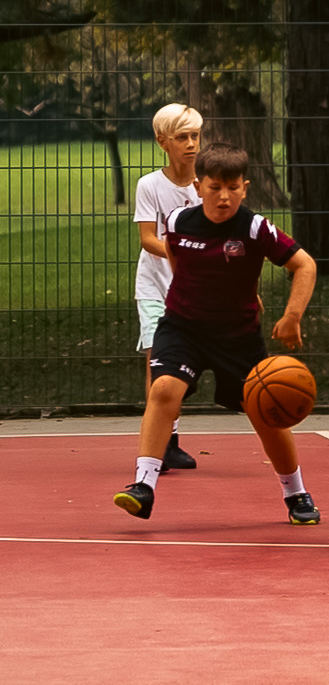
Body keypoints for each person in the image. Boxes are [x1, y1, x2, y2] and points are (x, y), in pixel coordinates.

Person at [113, 144, 318, 524]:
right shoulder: (177, 221)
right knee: (163, 390)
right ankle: (143, 486)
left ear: (245, 187)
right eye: (214, 187)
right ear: (198, 185)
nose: (223, 196)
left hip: (236, 337)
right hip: (183, 327)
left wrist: (292, 317)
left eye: (233, 187)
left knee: (266, 412)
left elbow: (304, 264)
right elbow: (179, 260)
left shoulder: (255, 227)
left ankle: (296, 492)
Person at [131, 103, 204, 473]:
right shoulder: (150, 185)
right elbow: (147, 238)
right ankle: (164, 445)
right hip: (155, 287)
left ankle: (169, 436)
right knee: (157, 361)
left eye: (195, 136)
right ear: (163, 141)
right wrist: (182, 255)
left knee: (185, 366)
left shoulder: (207, 185)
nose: (191, 144)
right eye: (181, 138)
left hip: (195, 289)